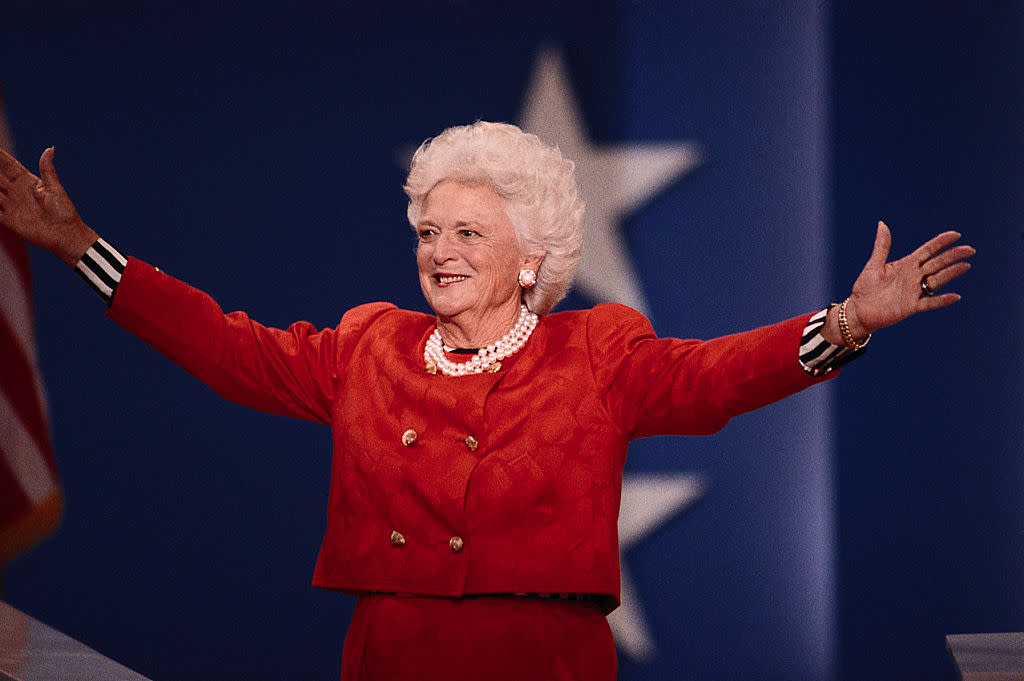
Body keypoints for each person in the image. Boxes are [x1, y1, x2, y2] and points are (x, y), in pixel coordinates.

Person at [0, 121, 973, 680]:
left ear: (533, 254)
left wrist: (842, 323)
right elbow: (220, 344)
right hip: (390, 657)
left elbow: (713, 378)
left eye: (468, 231)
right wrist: (84, 246)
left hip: (543, 663)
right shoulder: (366, 346)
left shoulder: (598, 351)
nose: (439, 251)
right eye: (428, 230)